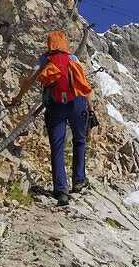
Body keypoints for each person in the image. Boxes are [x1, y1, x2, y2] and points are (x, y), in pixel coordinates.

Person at [7, 30, 92, 207]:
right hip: (76, 102)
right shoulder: (73, 58)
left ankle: (61, 191)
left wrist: (19, 97)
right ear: (64, 43)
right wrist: (90, 106)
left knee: (57, 147)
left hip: (55, 106)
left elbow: (30, 79)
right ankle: (78, 180)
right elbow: (83, 84)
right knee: (79, 140)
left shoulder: (44, 59)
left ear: (50, 43)